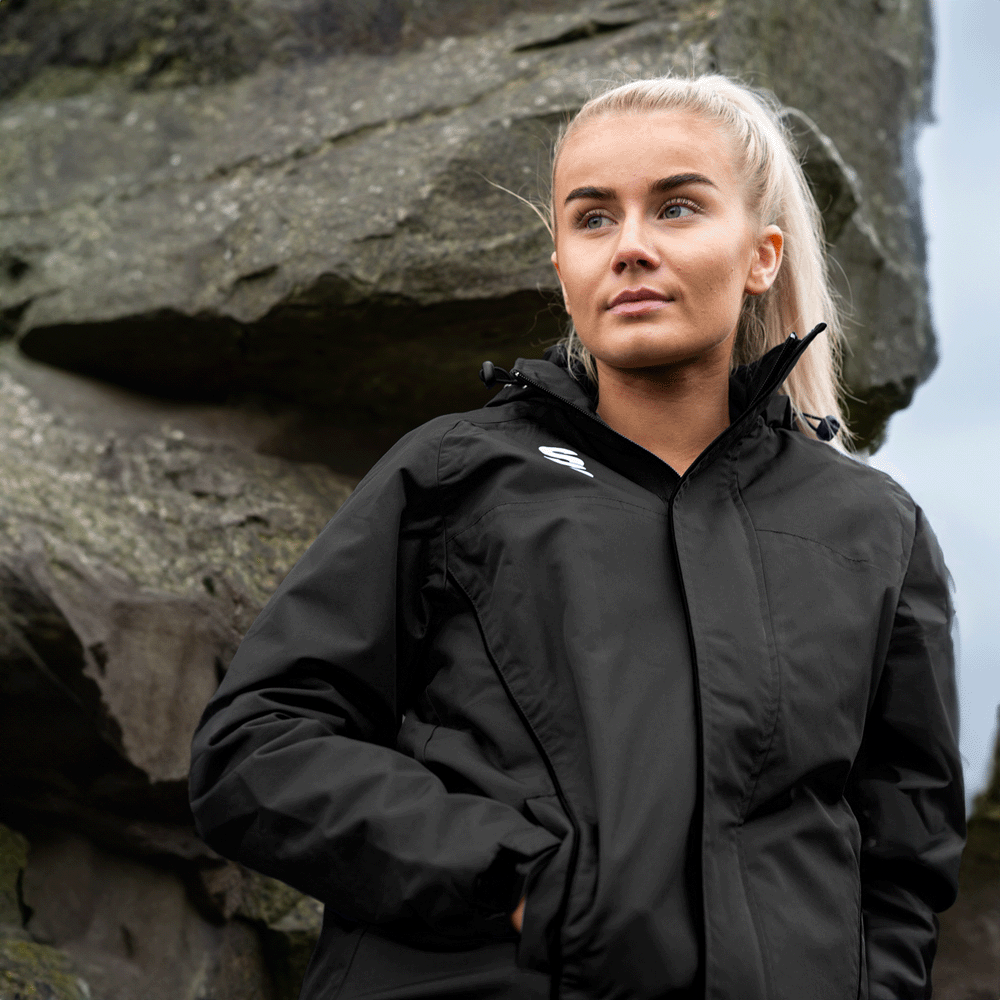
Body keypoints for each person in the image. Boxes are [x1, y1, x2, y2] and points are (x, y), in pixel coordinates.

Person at [189, 74, 966, 1000]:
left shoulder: (875, 531)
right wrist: (520, 883)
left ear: (761, 256)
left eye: (676, 207)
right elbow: (257, 746)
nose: (630, 246)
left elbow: (905, 862)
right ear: (562, 265)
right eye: (594, 218)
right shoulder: (454, 475)